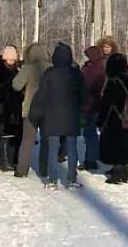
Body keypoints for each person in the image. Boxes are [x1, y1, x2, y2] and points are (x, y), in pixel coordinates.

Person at [28, 43, 88, 190]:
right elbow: (84, 95)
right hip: (71, 116)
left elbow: (41, 96)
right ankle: (71, 179)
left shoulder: (49, 74)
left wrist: (35, 113)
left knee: (52, 150)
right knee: (72, 149)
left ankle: (53, 180)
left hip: (52, 117)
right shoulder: (75, 74)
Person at [12, 42, 52, 178]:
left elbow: (16, 85)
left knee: (27, 140)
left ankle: (22, 170)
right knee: (46, 140)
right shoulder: (51, 68)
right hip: (48, 109)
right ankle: (44, 169)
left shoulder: (27, 68)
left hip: (30, 108)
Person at [98, 53, 128, 184]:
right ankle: (126, 173)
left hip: (115, 118)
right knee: (126, 145)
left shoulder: (113, 82)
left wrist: (100, 120)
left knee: (116, 146)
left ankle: (117, 174)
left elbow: (106, 103)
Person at [0, 45, 24, 172]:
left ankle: (13, 159)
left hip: (14, 106)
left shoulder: (16, 70)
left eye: (13, 59)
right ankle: (4, 161)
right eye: (9, 59)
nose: (11, 62)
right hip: (2, 106)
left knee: (14, 134)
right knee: (3, 134)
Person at [79, 46, 105, 171]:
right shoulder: (100, 66)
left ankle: (91, 159)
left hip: (90, 105)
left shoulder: (92, 69)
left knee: (89, 133)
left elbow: (85, 86)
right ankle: (97, 156)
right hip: (98, 104)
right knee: (94, 132)